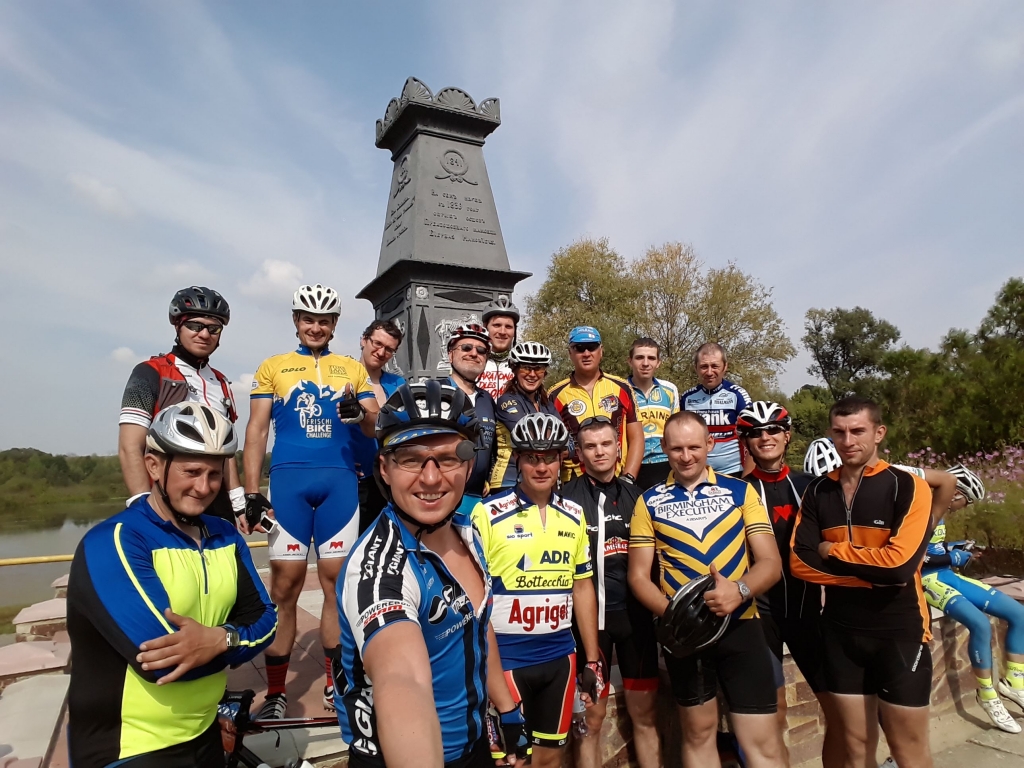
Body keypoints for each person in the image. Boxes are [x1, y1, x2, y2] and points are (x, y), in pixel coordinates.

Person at [67, 403, 277, 768]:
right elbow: (160, 662)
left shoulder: (225, 534)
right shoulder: (115, 541)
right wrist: (239, 640)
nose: (204, 487)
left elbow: (267, 621)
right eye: (191, 472)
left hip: (204, 732)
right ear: (153, 466)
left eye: (214, 474)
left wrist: (221, 640)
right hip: (130, 746)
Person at [335, 381, 529, 768]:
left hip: (473, 744)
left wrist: (507, 710)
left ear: (469, 465)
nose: (430, 478)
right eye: (410, 459)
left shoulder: (467, 532)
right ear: (384, 469)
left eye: (448, 457)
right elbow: (402, 679)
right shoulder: (380, 570)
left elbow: (479, 623)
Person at [790, 396, 952, 768]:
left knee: (908, 750)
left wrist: (832, 550)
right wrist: (870, 575)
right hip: (842, 633)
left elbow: (899, 568)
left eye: (858, 431)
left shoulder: (907, 486)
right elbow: (800, 562)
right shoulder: (819, 491)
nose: (848, 441)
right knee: (856, 747)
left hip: (898, 631)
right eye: (839, 432)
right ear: (831, 434)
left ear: (878, 433)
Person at [244, 283, 380, 719]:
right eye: (308, 320)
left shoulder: (350, 368)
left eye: (324, 321)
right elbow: (256, 430)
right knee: (284, 587)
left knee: (335, 587)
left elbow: (374, 423)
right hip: (288, 484)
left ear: (335, 325)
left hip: (339, 482)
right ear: (296, 321)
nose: (316, 327)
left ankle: (333, 685)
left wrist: (362, 415)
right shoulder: (274, 366)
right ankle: (277, 692)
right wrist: (250, 491)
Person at [628, 411, 786, 768]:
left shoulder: (741, 491)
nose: (686, 457)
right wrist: (677, 615)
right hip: (687, 637)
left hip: (742, 626)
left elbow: (770, 562)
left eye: (694, 447)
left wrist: (740, 590)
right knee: (698, 735)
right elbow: (638, 577)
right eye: (677, 449)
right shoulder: (648, 501)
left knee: (763, 742)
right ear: (664, 448)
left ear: (710, 444)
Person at [472, 413, 603, 768]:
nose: (541, 467)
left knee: (550, 760)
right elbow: (475, 596)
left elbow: (582, 586)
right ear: (517, 459)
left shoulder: (575, 514)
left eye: (549, 458)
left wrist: (592, 659)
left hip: (560, 656)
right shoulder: (487, 513)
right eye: (532, 457)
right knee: (512, 761)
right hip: (507, 658)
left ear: (562, 459)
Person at [737, 402, 843, 768]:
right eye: (755, 432)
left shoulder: (812, 486)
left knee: (839, 713)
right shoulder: (736, 490)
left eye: (773, 430)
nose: (765, 437)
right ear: (746, 442)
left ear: (787, 435)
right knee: (774, 716)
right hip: (759, 616)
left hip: (806, 612)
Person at [561, 417, 661, 768]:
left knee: (645, 715)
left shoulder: (639, 497)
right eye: (590, 446)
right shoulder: (565, 499)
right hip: (589, 626)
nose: (599, 452)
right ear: (578, 453)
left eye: (606, 444)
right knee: (590, 721)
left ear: (619, 448)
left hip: (635, 621)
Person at [118, 286, 243, 522]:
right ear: (178, 326)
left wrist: (238, 502)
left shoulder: (221, 382)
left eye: (213, 328)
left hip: (214, 497)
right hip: (168, 496)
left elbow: (226, 451)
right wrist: (141, 504)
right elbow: (130, 445)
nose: (204, 334)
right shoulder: (150, 372)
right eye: (195, 326)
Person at [915, 463, 1024, 733]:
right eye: (967, 501)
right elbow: (916, 557)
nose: (964, 508)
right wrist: (952, 557)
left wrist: (954, 548)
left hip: (946, 575)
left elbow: (933, 548)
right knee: (980, 624)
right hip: (927, 580)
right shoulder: (920, 508)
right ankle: (987, 695)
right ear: (956, 493)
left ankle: (1015, 683)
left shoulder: (938, 510)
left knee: (1018, 613)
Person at [549, 326, 644, 483]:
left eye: (592, 347)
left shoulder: (623, 387)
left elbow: (637, 438)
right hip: (574, 484)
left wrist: (628, 478)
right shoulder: (555, 394)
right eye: (579, 348)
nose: (586, 353)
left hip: (618, 480)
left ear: (601, 350)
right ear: (570, 353)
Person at [349, 319, 406, 533]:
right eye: (377, 344)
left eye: (389, 349)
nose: (381, 352)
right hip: (355, 479)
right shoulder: (342, 377)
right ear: (363, 340)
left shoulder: (398, 384)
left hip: (391, 479)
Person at [490, 341, 560, 492]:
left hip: (539, 479)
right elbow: (531, 438)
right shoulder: (507, 401)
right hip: (508, 480)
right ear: (514, 369)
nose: (532, 374)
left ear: (545, 372)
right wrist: (557, 443)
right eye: (526, 368)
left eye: (538, 368)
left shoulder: (547, 404)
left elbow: (569, 445)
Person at [680, 342, 753, 477]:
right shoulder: (687, 398)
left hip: (734, 471)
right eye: (704, 366)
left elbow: (753, 437)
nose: (709, 372)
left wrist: (748, 477)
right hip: (699, 474)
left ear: (725, 367)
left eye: (715, 366)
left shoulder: (738, 395)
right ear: (696, 368)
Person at [445, 323, 498, 505]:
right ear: (450, 355)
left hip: (477, 499)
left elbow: (493, 448)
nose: (474, 353)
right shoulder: (436, 391)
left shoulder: (487, 399)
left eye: (481, 350)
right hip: (442, 496)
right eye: (466, 347)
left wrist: (488, 477)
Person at [626, 338, 680, 491]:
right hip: (633, 465)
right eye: (639, 357)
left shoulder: (670, 389)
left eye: (651, 358)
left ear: (658, 363)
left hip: (665, 463)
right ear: (630, 361)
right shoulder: (620, 390)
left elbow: (675, 430)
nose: (645, 363)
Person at [479, 296, 520, 400]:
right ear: (485, 328)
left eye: (508, 327)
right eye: (497, 325)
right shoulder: (473, 361)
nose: (502, 332)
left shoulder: (521, 365)